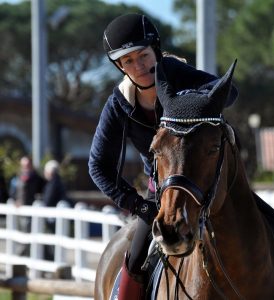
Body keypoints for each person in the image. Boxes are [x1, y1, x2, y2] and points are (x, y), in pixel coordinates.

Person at [88, 13, 237, 299]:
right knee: (132, 263)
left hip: (216, 189)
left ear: (155, 50)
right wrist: (135, 204)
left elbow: (231, 93)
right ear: (119, 66)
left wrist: (192, 103)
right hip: (162, 195)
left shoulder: (177, 73)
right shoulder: (118, 104)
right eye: (128, 61)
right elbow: (98, 166)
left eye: (143, 55)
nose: (139, 66)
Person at [42, 160, 67, 260]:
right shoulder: (58, 182)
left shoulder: (53, 183)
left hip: (52, 218)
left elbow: (48, 200)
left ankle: (54, 259)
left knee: (53, 239)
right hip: (55, 217)